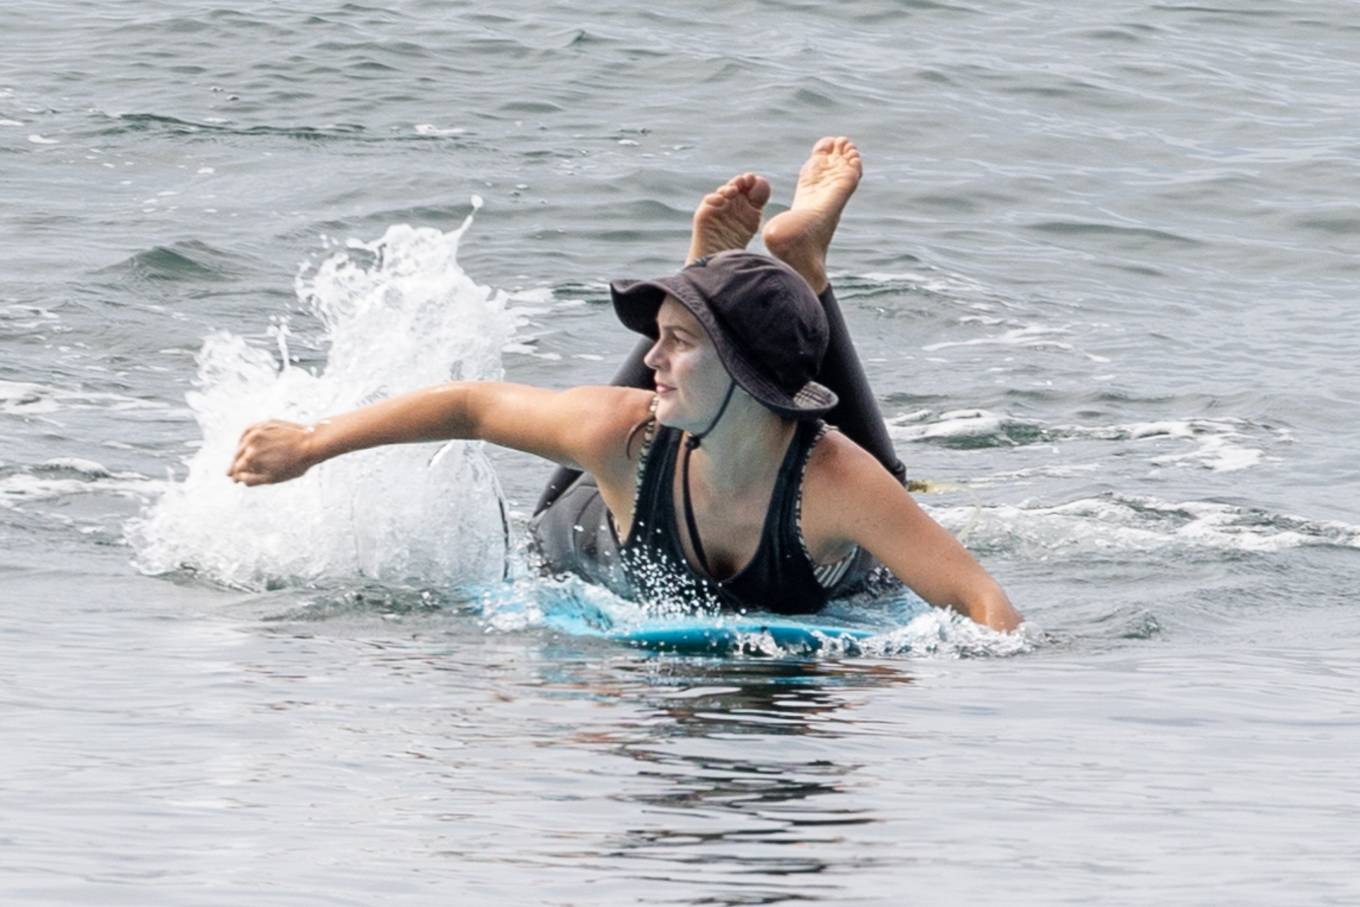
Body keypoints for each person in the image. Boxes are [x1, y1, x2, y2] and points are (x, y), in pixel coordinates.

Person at [227, 137, 1022, 632]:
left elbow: (984, 604)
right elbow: (471, 406)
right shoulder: (618, 432)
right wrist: (309, 443)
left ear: (741, 369)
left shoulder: (840, 484)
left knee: (884, 476)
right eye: (662, 333)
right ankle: (724, 272)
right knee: (579, 493)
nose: (647, 356)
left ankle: (791, 269)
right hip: (602, 534)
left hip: (803, 511)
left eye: (675, 339)